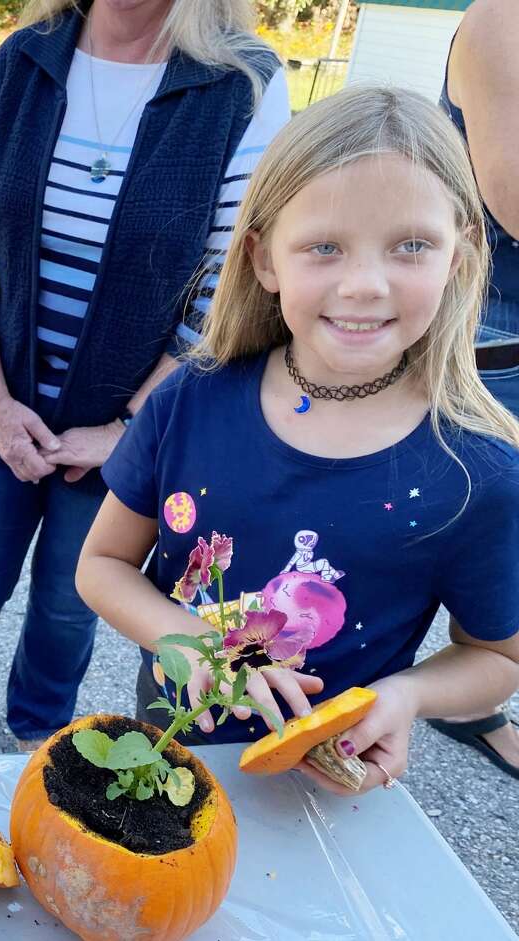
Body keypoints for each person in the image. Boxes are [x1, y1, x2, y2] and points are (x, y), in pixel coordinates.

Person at [77, 85, 519, 794]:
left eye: (411, 246)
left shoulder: (477, 473)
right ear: (263, 258)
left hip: (326, 788)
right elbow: (101, 564)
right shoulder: (190, 398)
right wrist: (190, 643)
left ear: (458, 259)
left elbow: (499, 657)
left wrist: (403, 696)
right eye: (324, 247)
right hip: (166, 758)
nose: (365, 285)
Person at [0, 0, 291, 760]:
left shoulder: (244, 84)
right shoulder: (23, 59)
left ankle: (36, 736)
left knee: (68, 610)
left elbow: (225, 294)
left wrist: (126, 430)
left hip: (125, 432)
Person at [427, 0, 519, 779]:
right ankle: (464, 691)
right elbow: (513, 194)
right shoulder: (504, 20)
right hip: (497, 335)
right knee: (484, 517)